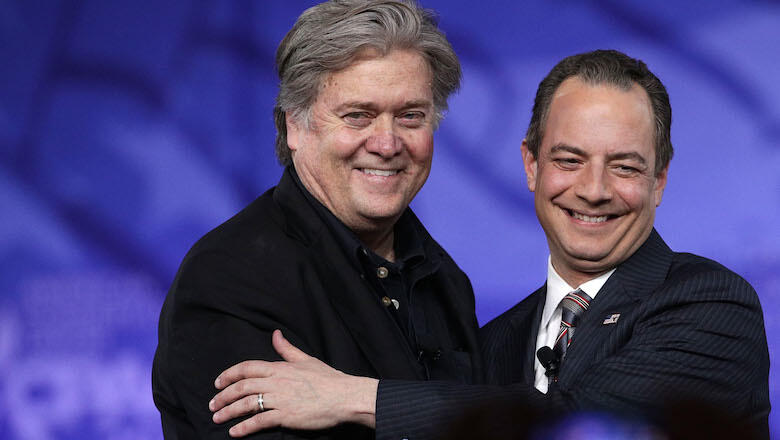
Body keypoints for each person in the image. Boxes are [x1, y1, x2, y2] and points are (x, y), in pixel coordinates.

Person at [207, 50, 771, 439]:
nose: (593, 190)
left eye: (624, 167)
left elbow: (576, 421)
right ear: (531, 164)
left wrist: (353, 399)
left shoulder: (712, 305)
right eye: (568, 160)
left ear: (661, 180)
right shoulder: (493, 345)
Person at [152, 1, 485, 438]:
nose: (387, 143)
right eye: (357, 116)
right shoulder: (230, 276)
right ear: (296, 126)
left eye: (410, 117)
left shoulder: (444, 279)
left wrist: (359, 400)